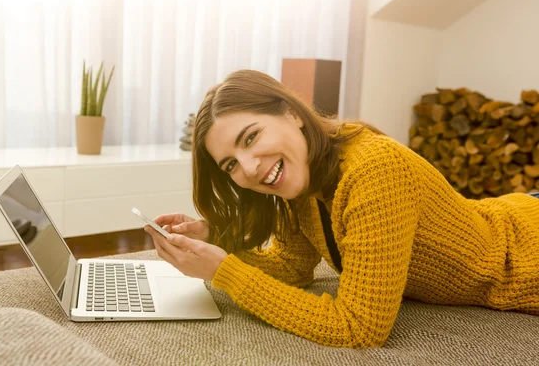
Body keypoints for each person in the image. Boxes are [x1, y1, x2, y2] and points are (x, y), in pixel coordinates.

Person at [144, 69, 539, 348]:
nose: (248, 168)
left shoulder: (375, 169)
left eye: (251, 138)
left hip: (525, 252)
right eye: (230, 164)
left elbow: (358, 328)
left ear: (292, 114)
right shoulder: (299, 183)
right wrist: (216, 241)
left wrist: (223, 272)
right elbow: (292, 271)